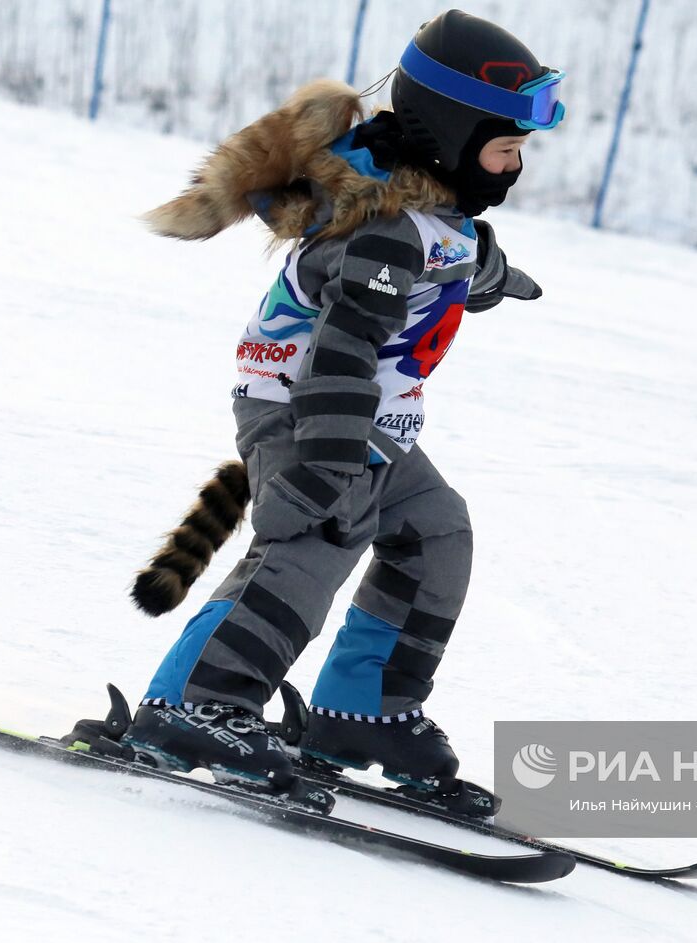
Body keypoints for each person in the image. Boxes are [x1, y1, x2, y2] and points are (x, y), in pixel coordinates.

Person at [118, 9, 566, 802]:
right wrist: (323, 462)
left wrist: (503, 279)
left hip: (375, 425)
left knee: (436, 534)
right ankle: (193, 701)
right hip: (307, 411)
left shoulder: (442, 221)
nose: (513, 169)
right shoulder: (381, 234)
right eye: (504, 150)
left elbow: (466, 260)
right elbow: (343, 350)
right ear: (452, 139)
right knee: (318, 533)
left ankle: (361, 711)